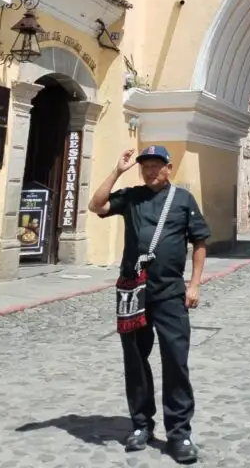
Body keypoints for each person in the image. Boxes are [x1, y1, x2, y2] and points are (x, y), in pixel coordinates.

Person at [89, 145, 210, 464]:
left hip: (170, 293)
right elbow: (96, 205)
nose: (151, 171)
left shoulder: (183, 200)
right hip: (133, 291)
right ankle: (141, 424)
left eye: (157, 165)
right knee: (134, 359)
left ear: (169, 168)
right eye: (146, 166)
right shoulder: (132, 196)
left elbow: (199, 242)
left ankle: (179, 432)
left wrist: (194, 284)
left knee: (175, 360)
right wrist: (117, 170)